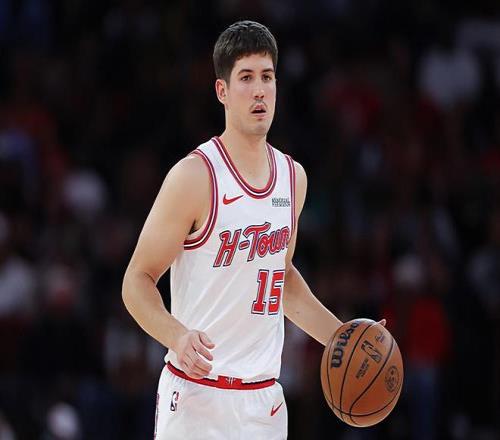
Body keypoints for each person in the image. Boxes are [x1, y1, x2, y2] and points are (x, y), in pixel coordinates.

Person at [122, 20, 382, 439]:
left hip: (264, 404)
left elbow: (282, 278)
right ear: (222, 91)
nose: (259, 90)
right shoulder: (195, 176)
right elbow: (136, 280)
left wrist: (341, 338)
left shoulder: (293, 178)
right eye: (245, 77)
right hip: (198, 398)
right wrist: (177, 336)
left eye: (267, 77)